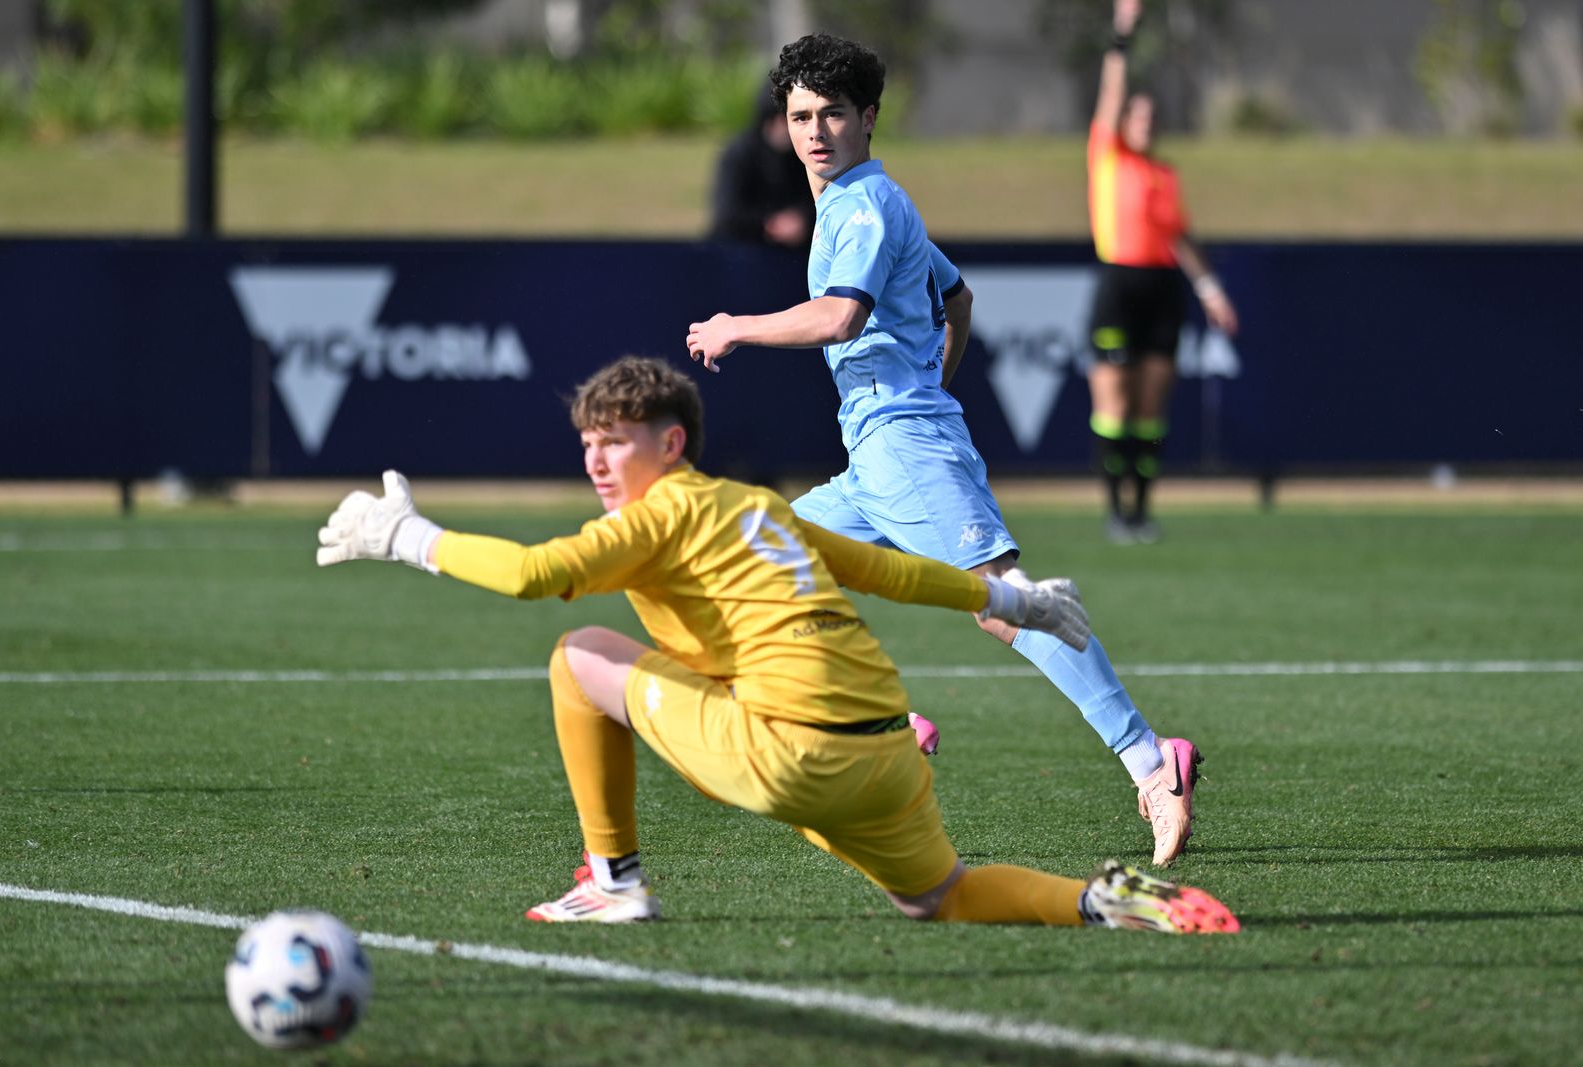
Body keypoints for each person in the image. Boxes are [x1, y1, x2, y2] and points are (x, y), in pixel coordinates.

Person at [314, 355, 1237, 934]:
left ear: (671, 443)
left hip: (793, 750)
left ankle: (614, 882)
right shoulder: (758, 506)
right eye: (588, 443)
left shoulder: (661, 512)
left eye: (617, 442)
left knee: (575, 655)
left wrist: (407, 539)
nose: (597, 460)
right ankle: (1102, 899)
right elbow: (885, 572)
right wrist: (1012, 599)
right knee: (938, 895)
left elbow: (527, 572)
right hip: (883, 752)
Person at [685, 33, 1201, 867]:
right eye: (801, 116)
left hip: (906, 449)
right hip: (882, 454)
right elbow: (959, 298)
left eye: (833, 115)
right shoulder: (875, 202)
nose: (815, 132)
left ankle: (1150, 762)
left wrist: (736, 327)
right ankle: (880, 725)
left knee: (1006, 606)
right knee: (752, 558)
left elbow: (841, 316)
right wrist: (935, 384)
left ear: (869, 119)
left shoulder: (862, 206)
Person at [1086, 0, 1240, 544]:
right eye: (1138, 116)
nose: (1145, 123)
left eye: (1152, 117)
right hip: (1118, 285)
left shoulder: (1164, 174)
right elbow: (1111, 94)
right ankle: (1113, 512)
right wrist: (1122, 34)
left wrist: (1210, 289)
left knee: (1153, 406)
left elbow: (1179, 237)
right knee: (1115, 403)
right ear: (1126, 123)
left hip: (1163, 289)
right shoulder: (1108, 157)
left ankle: (1141, 511)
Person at [710, 83, 816, 247]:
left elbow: (820, 202)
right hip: (742, 248)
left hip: (796, 252)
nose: (787, 128)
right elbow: (727, 213)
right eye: (783, 119)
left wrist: (803, 221)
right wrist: (770, 224)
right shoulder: (739, 154)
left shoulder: (807, 154)